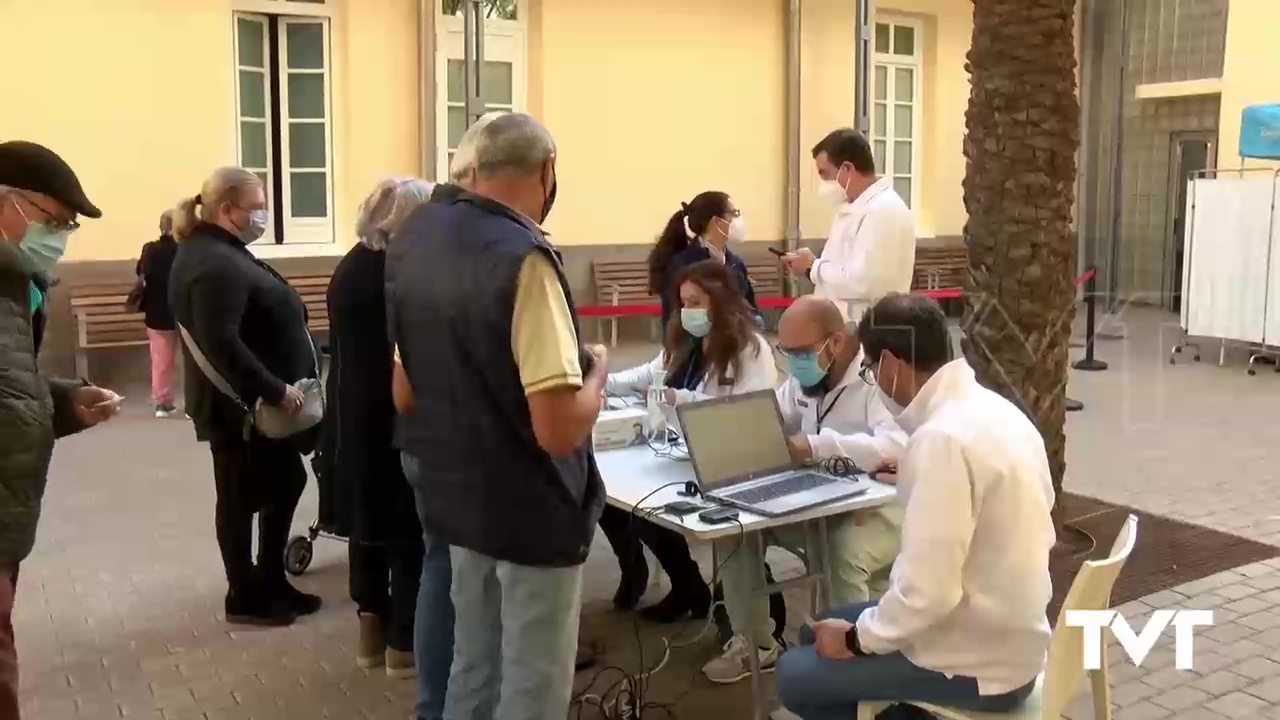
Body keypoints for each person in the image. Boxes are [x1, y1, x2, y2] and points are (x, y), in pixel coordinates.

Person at [387, 112, 604, 720]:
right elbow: (557, 429)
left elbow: (404, 390)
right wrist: (598, 379)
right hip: (531, 511)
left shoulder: (414, 240)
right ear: (546, 171)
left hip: (457, 495)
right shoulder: (524, 257)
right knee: (532, 683)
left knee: (473, 664)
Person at [775, 293, 1053, 719]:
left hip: (975, 661)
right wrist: (915, 474)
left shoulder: (940, 440)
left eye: (868, 367)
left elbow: (929, 595)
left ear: (891, 363)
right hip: (1012, 636)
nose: (870, 377)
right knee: (821, 625)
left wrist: (855, 642)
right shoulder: (996, 411)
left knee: (795, 675)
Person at [702, 296, 906, 685]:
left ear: (837, 343)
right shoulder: (804, 380)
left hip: (882, 510)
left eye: (801, 352)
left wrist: (815, 446)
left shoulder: (876, 379)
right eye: (787, 352)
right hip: (819, 503)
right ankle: (757, 644)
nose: (794, 362)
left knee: (842, 552)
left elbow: (895, 447)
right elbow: (771, 419)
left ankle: (854, 664)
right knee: (736, 533)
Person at [168, 167, 322, 628]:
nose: (264, 215)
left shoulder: (219, 252)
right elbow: (222, 341)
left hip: (250, 407)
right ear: (227, 209)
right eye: (257, 207)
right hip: (242, 409)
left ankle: (270, 580)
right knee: (239, 498)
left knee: (280, 483)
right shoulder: (212, 263)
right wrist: (274, 389)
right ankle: (245, 592)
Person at [0, 140, 121, 720]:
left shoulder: (19, 283)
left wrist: (69, 403)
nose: (60, 234)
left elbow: (11, 383)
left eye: (67, 224)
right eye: (53, 220)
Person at [599, 260, 777, 623]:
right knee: (610, 498)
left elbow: (747, 412)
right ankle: (683, 583)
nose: (687, 312)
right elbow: (648, 376)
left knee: (647, 506)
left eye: (696, 302)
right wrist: (598, 376)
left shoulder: (750, 350)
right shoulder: (685, 343)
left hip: (730, 459)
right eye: (683, 303)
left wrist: (683, 400)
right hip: (682, 449)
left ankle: (728, 610)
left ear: (721, 300)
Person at [325, 178, 434, 680]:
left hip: (351, 412)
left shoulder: (352, 265)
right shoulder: (402, 271)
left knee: (367, 527)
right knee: (405, 530)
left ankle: (371, 625)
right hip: (394, 415)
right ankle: (403, 644)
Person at [783, 128, 916, 322]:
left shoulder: (883, 210)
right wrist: (811, 264)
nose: (823, 184)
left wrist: (813, 267)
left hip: (868, 335)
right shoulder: (854, 208)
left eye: (825, 174)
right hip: (843, 333)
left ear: (847, 169)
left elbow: (864, 282)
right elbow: (844, 267)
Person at [646, 191, 760, 327]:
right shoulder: (684, 264)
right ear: (716, 221)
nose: (738, 220)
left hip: (735, 342)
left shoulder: (736, 263)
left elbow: (751, 309)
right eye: (734, 214)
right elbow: (673, 317)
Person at [136, 210, 180, 417]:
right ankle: (197, 406)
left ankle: (162, 403)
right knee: (194, 360)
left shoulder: (150, 249)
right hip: (185, 312)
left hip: (157, 313)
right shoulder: (186, 249)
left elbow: (141, 274)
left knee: (161, 360)